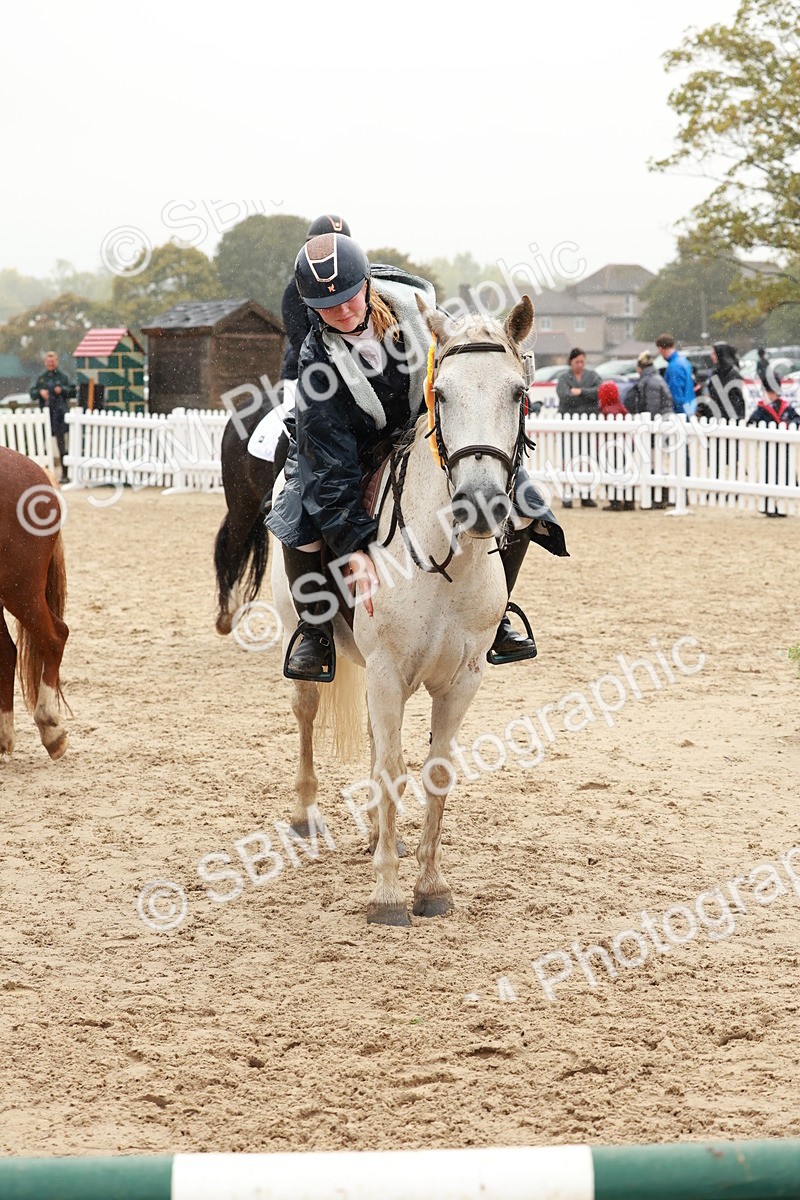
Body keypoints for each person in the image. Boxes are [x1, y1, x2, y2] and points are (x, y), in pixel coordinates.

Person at [266, 232, 568, 681]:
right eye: (329, 308)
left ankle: (497, 613)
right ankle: (315, 630)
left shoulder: (419, 316)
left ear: (366, 284)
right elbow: (330, 459)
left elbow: (464, 372)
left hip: (424, 431)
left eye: (350, 299)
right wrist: (352, 547)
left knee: (524, 504)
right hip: (349, 447)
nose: (344, 312)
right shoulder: (317, 362)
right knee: (298, 514)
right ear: (311, 308)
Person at [746, 374, 800, 517]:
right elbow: (752, 423)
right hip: (769, 452)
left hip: (785, 451)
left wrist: (793, 424)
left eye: (773, 392)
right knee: (768, 477)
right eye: (769, 392)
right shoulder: (761, 409)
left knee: (784, 477)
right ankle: (767, 506)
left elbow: (796, 418)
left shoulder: (785, 407)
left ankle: (781, 507)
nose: (771, 395)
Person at [556, 347, 601, 508]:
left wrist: (580, 392)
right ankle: (567, 496)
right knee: (567, 460)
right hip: (568, 424)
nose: (580, 365)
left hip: (588, 423)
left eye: (582, 361)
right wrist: (586, 398)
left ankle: (586, 495)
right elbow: (564, 396)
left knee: (587, 460)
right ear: (571, 362)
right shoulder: (563, 378)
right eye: (577, 362)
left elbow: (599, 392)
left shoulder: (592, 375)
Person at [29, 351, 76, 483]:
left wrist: (62, 390)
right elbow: (32, 392)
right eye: (48, 361)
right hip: (45, 416)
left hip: (59, 416)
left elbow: (73, 391)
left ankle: (65, 474)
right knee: (41, 446)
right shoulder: (41, 378)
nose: (50, 363)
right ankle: (39, 475)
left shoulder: (63, 376)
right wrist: (40, 392)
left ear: (57, 361)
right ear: (45, 363)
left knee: (62, 446)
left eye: (53, 361)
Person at [597, 380, 633, 511]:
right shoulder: (622, 408)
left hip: (610, 449)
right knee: (625, 473)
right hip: (624, 446)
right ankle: (629, 500)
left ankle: (615, 501)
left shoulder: (606, 410)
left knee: (610, 474)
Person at [698, 343, 746, 421]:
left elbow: (737, 403)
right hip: (716, 420)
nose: (711, 356)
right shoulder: (716, 373)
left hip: (728, 422)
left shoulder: (732, 375)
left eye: (713, 354)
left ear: (720, 355)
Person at [655, 334, 695, 416]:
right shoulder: (684, 362)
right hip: (690, 408)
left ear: (660, 349)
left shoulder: (674, 367)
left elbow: (676, 394)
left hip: (681, 414)